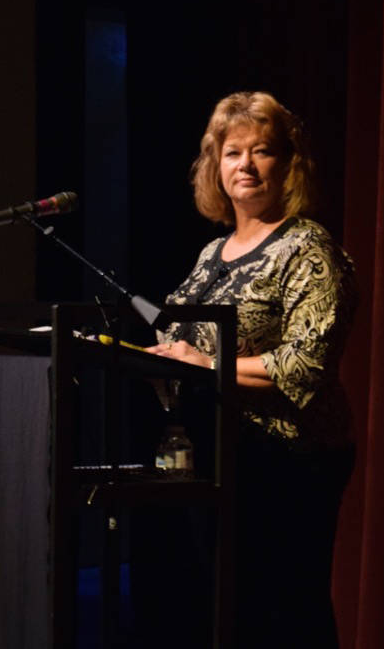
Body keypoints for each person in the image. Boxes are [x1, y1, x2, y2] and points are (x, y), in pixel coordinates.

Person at [146, 91, 356, 647]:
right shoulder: (210, 253)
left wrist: (205, 363)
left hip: (289, 459)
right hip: (214, 452)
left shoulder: (306, 248)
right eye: (232, 152)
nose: (245, 165)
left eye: (261, 151)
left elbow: (304, 365)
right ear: (216, 167)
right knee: (226, 612)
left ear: (288, 164)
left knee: (283, 611)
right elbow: (178, 336)